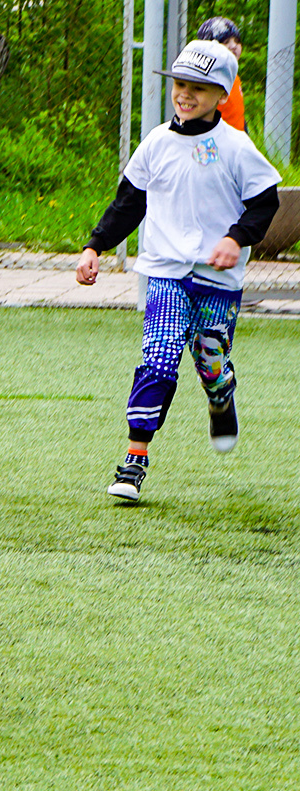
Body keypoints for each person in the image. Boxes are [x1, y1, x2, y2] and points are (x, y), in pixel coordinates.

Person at [77, 40, 281, 502]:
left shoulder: (235, 146)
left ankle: (221, 396)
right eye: (180, 85)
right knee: (159, 359)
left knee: (210, 357)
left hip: (218, 277)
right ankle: (134, 460)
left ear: (221, 95)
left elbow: (265, 201)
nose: (186, 95)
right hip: (166, 272)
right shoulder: (156, 142)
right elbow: (128, 203)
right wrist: (95, 246)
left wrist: (234, 238)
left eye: (199, 88)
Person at [197, 16, 248, 132]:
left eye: (237, 41)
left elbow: (237, 113)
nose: (233, 46)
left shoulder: (233, 77)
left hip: (237, 138)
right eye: (226, 42)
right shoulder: (207, 79)